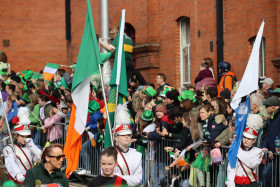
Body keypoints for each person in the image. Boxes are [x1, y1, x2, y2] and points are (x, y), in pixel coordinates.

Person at [3, 107, 41, 184]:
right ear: (17, 136)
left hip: (29, 179)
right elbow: (10, 162)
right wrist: (18, 174)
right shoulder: (9, 148)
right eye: (22, 136)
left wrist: (32, 146)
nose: (25, 138)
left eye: (27, 136)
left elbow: (39, 158)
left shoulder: (30, 146)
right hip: (17, 179)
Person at [226, 114, 264, 187]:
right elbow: (231, 168)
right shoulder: (237, 149)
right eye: (244, 137)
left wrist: (237, 152)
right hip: (237, 184)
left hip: (251, 184)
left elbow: (252, 164)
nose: (246, 140)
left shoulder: (258, 152)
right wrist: (230, 183)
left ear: (254, 140)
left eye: (249, 138)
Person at [113, 103, 142, 186]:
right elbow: (108, 177)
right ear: (116, 137)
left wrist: (119, 178)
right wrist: (130, 178)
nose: (126, 137)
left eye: (128, 135)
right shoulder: (108, 154)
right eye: (123, 135)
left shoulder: (136, 154)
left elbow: (138, 179)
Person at [261, 96, 280, 187]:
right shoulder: (271, 119)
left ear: (273, 107)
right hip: (272, 155)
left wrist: (277, 149)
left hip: (277, 155)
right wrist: (264, 146)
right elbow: (268, 136)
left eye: (267, 106)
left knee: (267, 175)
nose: (265, 109)